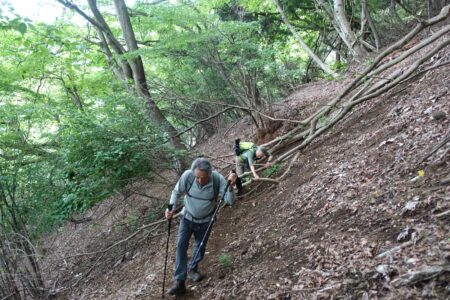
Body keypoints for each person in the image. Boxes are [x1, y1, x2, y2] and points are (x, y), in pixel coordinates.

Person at [165, 158, 237, 296]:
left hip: (206, 221)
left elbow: (229, 201)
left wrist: (231, 186)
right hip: (187, 218)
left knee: (200, 246)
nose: (199, 181)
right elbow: (176, 192)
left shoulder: (217, 180)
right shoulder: (188, 176)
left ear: (210, 174)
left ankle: (192, 269)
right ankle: (179, 281)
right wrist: (171, 208)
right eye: (197, 177)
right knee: (181, 245)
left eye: (203, 178)